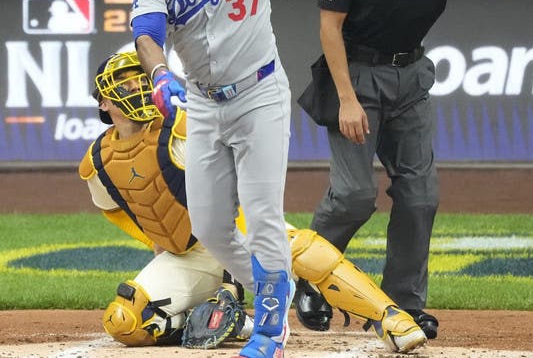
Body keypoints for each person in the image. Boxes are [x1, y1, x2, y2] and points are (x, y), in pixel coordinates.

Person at [128, 0, 397, 358]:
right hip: (203, 105)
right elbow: (148, 34)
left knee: (263, 213)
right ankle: (275, 287)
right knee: (209, 226)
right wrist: (160, 76)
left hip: (259, 95)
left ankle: (271, 334)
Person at [297, 0, 509, 345]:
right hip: (358, 73)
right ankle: (310, 277)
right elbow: (330, 26)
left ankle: (402, 307)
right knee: (354, 195)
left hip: (412, 73)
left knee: (420, 196)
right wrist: (346, 98)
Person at [83, 50, 427, 354]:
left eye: (140, 80)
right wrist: (158, 239)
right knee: (124, 321)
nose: (137, 88)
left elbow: (239, 189)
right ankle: (228, 321)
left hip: (241, 230)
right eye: (124, 84)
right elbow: (114, 210)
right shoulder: (99, 160)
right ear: (103, 102)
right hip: (189, 254)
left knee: (303, 249)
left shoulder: (184, 127)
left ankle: (390, 317)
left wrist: (236, 260)